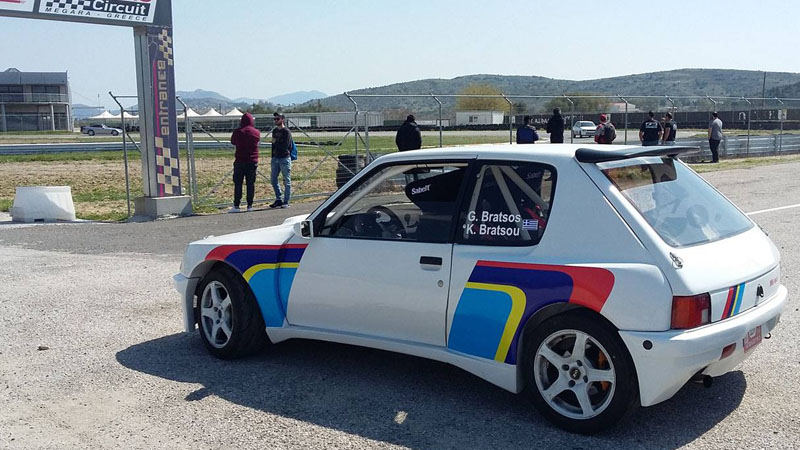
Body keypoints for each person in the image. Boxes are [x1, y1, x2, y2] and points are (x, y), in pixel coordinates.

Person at [229, 112, 260, 212]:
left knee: (238, 183)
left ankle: (236, 205)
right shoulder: (256, 132)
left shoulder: (237, 132)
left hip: (240, 160)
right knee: (250, 184)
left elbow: (233, 142)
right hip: (252, 161)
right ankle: (250, 205)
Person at [269, 112, 293, 208]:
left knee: (286, 180)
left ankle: (286, 201)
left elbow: (285, 146)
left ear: (282, 119)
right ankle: (278, 199)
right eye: (274, 119)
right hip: (275, 158)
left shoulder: (286, 132)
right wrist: (272, 155)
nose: (276, 120)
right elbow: (273, 144)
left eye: (277, 119)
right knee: (273, 180)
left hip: (284, 158)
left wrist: (276, 143)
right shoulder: (275, 131)